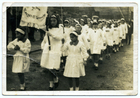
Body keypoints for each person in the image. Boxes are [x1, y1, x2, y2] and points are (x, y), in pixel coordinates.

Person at [40, 14, 63, 90]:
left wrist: (52, 35)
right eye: (51, 21)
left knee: (54, 67)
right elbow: (45, 39)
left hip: (56, 48)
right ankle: (51, 83)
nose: (52, 22)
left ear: (57, 21)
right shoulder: (48, 29)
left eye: (54, 21)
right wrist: (43, 46)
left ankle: (55, 78)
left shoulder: (60, 28)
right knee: (49, 67)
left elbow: (59, 38)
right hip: (48, 49)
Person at [7, 26, 31, 90]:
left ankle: (22, 86)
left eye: (18, 34)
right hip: (18, 58)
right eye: (16, 34)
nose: (16, 35)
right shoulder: (16, 40)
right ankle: (22, 84)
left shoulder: (26, 41)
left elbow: (27, 50)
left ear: (22, 34)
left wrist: (20, 48)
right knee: (19, 72)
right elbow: (9, 46)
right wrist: (13, 47)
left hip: (23, 58)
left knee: (21, 72)